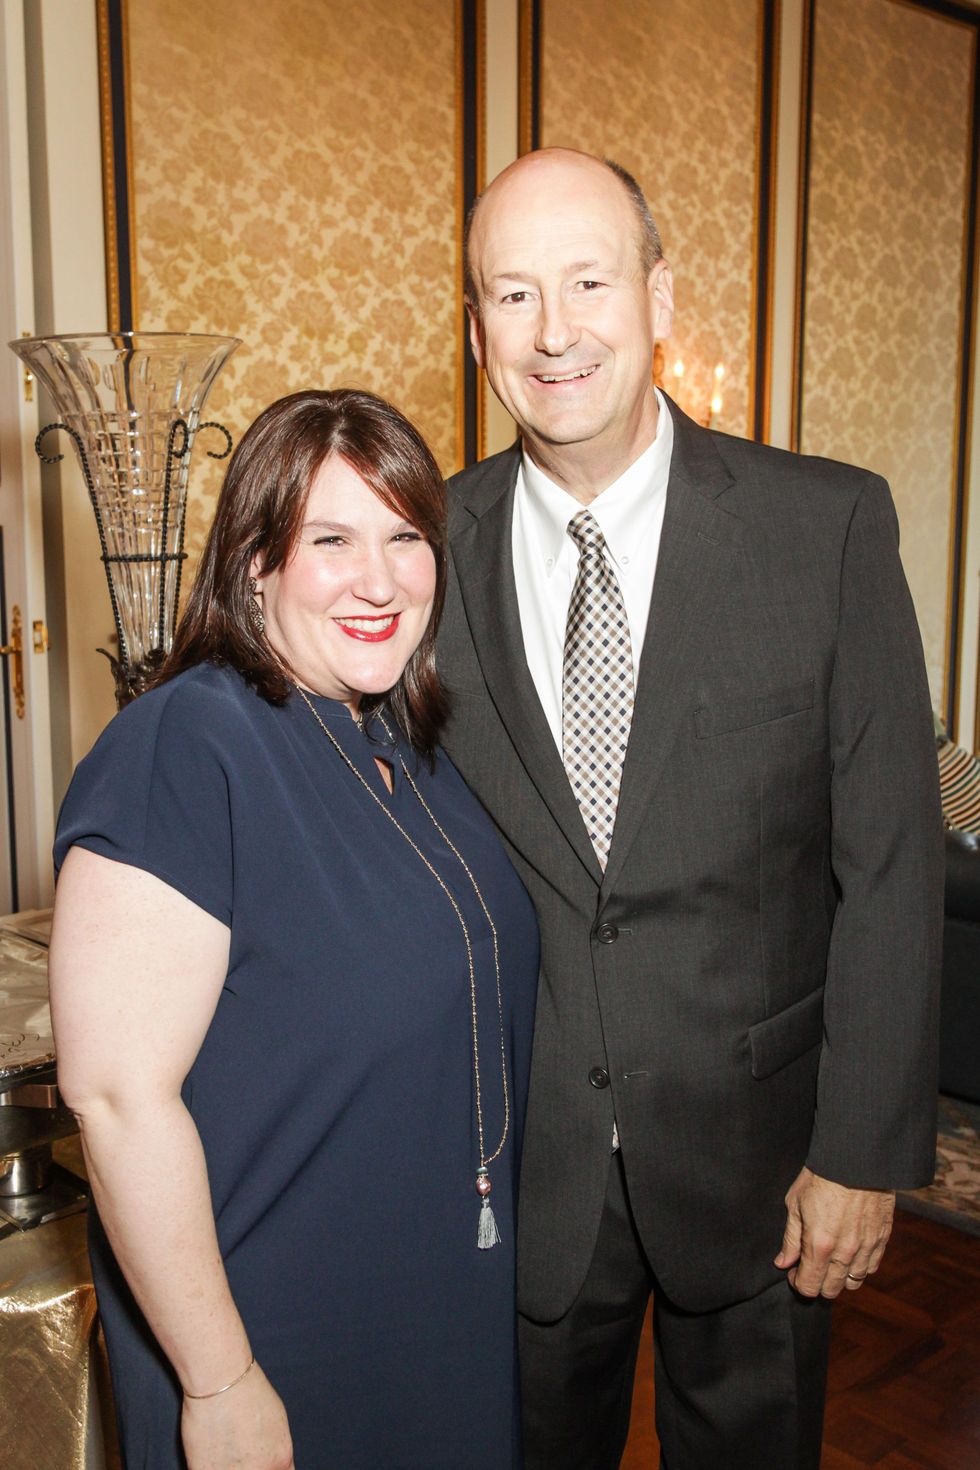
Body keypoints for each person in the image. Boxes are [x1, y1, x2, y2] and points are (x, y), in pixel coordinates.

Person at [436, 147, 944, 1469]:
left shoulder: (825, 528)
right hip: (519, 1169)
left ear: (660, 295)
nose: (555, 333)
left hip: (768, 1167)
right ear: (476, 325)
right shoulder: (422, 550)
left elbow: (891, 863)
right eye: (513, 293)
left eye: (590, 281)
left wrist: (863, 1150)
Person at [48, 389, 538, 1470]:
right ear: (256, 562)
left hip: (430, 1303)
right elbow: (117, 1096)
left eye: (405, 537)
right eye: (331, 540)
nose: (379, 579)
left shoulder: (405, 748)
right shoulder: (186, 743)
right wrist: (219, 1380)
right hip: (271, 1327)